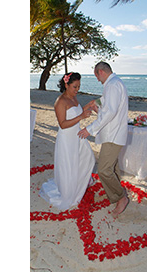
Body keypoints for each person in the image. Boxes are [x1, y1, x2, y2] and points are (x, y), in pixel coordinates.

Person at [78, 62, 129, 218]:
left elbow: (110, 112)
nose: (97, 80)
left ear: (100, 72)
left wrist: (90, 129)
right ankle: (115, 194)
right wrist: (97, 105)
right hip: (113, 133)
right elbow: (108, 106)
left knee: (104, 170)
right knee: (112, 167)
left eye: (96, 76)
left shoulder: (112, 85)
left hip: (114, 134)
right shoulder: (114, 83)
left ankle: (121, 197)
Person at [40, 72, 96, 211]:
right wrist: (82, 116)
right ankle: (68, 189)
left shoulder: (74, 98)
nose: (77, 90)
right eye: (74, 87)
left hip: (76, 135)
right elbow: (63, 124)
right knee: (68, 164)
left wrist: (86, 107)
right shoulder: (60, 101)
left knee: (87, 158)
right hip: (66, 138)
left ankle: (79, 182)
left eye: (78, 87)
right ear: (66, 84)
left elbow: (77, 114)